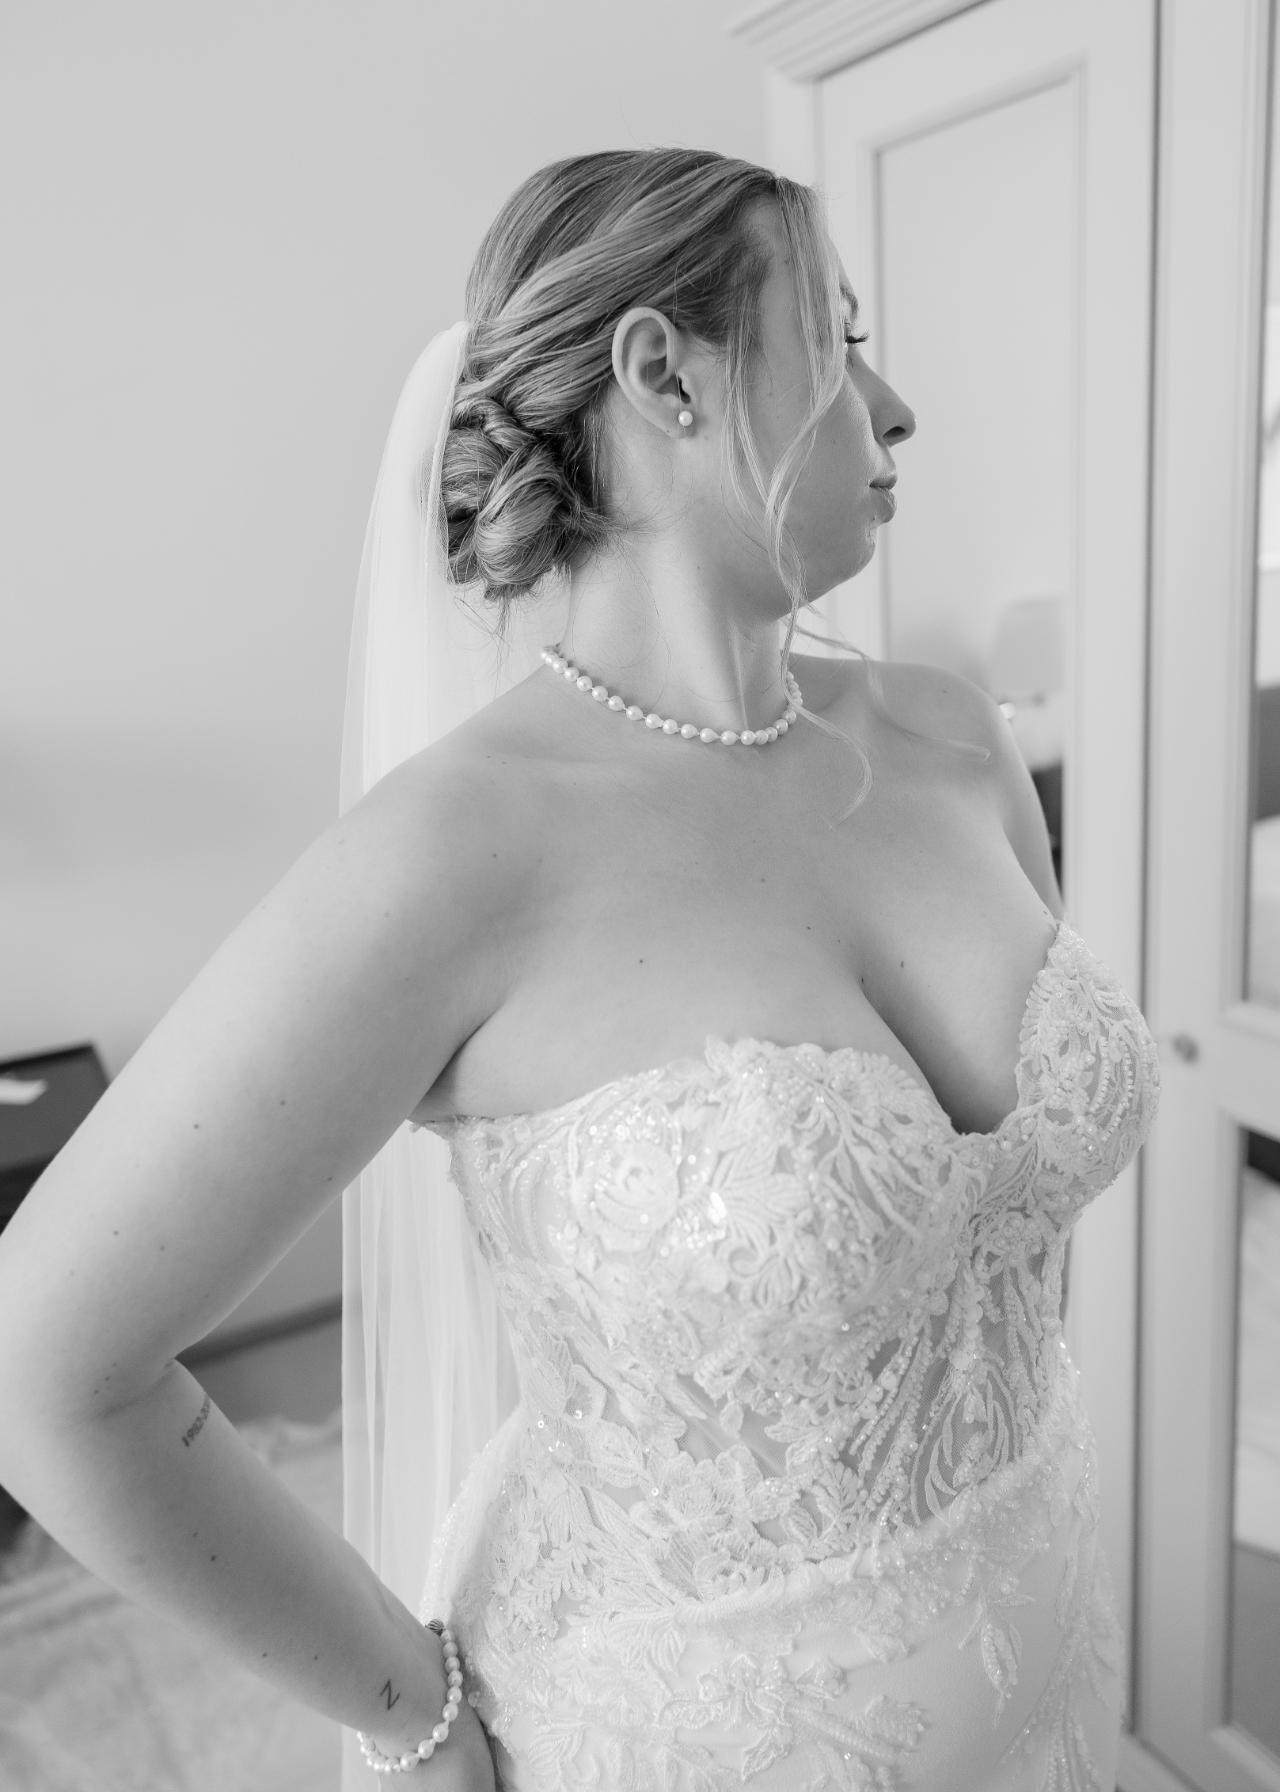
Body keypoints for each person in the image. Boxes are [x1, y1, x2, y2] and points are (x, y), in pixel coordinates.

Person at [0, 147, 1161, 1792]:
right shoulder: (454, 858)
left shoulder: (954, 738)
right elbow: (46, 1366)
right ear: (662, 375)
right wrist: (414, 1714)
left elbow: (1009, 1248)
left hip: (1040, 1615)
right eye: (837, 343)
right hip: (693, 1735)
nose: (895, 412)